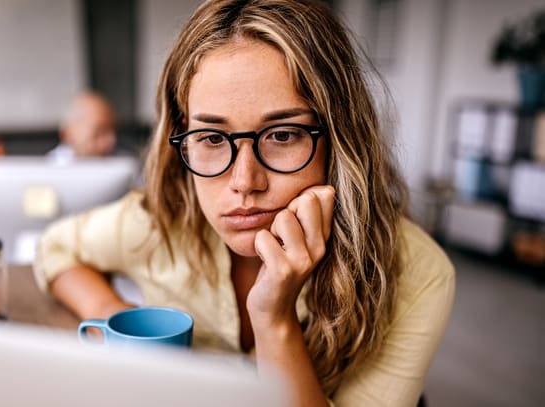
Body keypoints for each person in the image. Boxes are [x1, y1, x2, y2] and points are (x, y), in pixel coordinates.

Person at [34, 1, 455, 406]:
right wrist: (112, 313)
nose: (244, 183)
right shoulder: (160, 221)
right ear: (183, 135)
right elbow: (54, 247)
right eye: (213, 139)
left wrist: (275, 320)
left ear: (339, 139)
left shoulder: (416, 274)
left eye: (283, 134)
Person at [47, 90, 118, 162]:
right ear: (68, 134)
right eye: (98, 133)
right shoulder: (49, 170)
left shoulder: (121, 163)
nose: (111, 141)